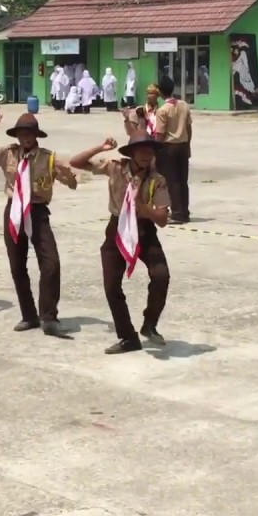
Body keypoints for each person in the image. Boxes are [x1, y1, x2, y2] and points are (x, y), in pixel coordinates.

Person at [0, 107, 80, 337]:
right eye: (21, 134)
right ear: (17, 136)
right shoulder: (8, 154)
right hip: (14, 210)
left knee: (51, 263)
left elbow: (72, 183)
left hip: (38, 211)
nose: (25, 138)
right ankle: (29, 315)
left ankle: (48, 317)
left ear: (36, 135)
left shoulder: (49, 158)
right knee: (17, 265)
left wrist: (69, 176)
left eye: (29, 133)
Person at [70, 131, 171, 354]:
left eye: (150, 150)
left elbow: (163, 219)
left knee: (161, 275)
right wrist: (101, 148)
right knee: (111, 285)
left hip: (144, 230)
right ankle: (127, 337)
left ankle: (150, 324)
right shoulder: (115, 167)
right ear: (132, 153)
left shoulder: (157, 180)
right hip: (116, 227)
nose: (147, 154)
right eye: (142, 150)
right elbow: (75, 162)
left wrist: (142, 206)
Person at [153, 76, 192, 224]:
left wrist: (156, 151)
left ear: (161, 93)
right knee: (183, 180)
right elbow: (189, 128)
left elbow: (160, 134)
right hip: (183, 145)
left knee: (172, 180)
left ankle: (177, 213)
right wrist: (188, 146)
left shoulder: (163, 110)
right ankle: (184, 211)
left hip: (169, 147)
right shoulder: (184, 105)